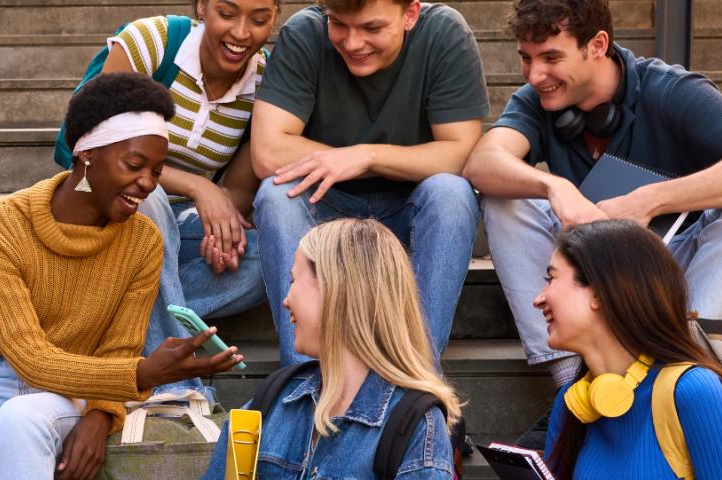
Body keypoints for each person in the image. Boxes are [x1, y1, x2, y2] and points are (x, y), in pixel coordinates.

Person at [461, 0, 722, 442]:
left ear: (598, 45)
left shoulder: (671, 90)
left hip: (672, 274)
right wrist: (555, 187)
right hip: (586, 273)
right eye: (526, 58)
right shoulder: (536, 101)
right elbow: (483, 162)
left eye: (550, 58)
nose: (533, 75)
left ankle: (676, 376)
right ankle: (574, 389)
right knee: (505, 197)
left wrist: (649, 201)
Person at [0, 73, 242, 480]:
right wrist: (141, 374)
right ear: (86, 155)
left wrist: (101, 414)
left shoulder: (143, 241)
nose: (148, 184)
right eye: (135, 165)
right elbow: (29, 357)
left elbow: (120, 346)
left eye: (156, 171)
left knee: (22, 420)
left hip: (68, 392)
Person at [248, 0, 488, 366]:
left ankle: (416, 376)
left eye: (372, 29)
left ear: (410, 14)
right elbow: (267, 152)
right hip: (327, 207)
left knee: (452, 194)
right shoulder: (306, 32)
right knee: (276, 194)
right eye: (339, 24)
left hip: (409, 209)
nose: (353, 42)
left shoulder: (443, 32)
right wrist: (358, 159)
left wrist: (367, 156)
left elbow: (462, 155)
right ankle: (301, 379)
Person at [97, 0, 283, 399]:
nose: (240, 32)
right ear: (202, 7)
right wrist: (201, 187)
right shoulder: (152, 42)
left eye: (259, 19)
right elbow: (92, 144)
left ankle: (105, 317)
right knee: (148, 199)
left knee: (268, 255)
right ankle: (178, 387)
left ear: (276, 18)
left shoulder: (267, 81)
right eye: (227, 13)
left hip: (181, 228)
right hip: (110, 209)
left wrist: (221, 229)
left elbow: (237, 192)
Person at [202, 219, 462, 479]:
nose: (286, 299)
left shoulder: (416, 426)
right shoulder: (273, 400)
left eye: (293, 280)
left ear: (334, 287)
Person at [537, 220, 722, 478]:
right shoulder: (572, 402)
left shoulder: (695, 391)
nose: (538, 298)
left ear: (598, 292)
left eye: (551, 278)